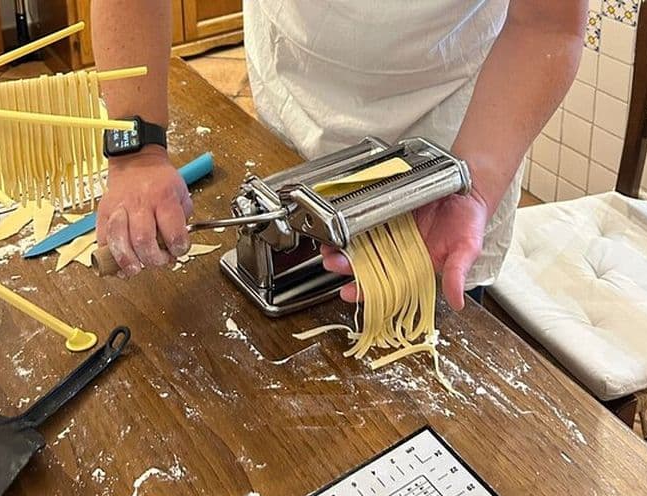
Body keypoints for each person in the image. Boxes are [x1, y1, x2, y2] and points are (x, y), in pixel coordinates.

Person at [91, 1, 586, 311]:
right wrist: (137, 151)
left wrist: (472, 185)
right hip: (297, 101)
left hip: (459, 135)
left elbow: (547, 25)